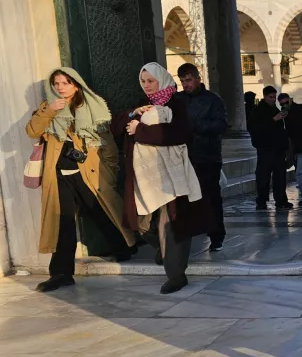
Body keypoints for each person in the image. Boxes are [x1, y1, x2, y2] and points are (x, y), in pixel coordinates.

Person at [26, 68, 135, 292]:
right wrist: (48, 111)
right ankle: (61, 273)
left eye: (66, 83)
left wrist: (110, 173)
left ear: (76, 85)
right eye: (56, 84)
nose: (60, 88)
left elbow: (108, 146)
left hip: (88, 173)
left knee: (100, 210)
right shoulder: (48, 109)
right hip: (58, 176)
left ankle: (125, 246)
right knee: (63, 224)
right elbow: (31, 130)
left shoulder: (90, 108)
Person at [115, 63, 211, 294]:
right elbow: (117, 126)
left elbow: (179, 133)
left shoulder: (177, 102)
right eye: (144, 81)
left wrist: (140, 131)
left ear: (161, 80)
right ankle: (165, 251)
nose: (147, 86)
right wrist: (132, 114)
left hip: (172, 174)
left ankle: (176, 275)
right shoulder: (141, 103)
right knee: (141, 222)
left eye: (151, 81)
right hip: (144, 175)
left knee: (171, 224)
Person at [176, 63, 228, 252]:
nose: (185, 84)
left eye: (188, 80)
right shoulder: (179, 100)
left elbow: (221, 125)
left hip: (208, 158)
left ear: (198, 79)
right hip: (184, 158)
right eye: (182, 81)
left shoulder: (213, 100)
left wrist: (195, 126)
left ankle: (216, 236)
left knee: (211, 198)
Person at [249, 85, 293, 210]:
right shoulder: (257, 111)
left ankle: (281, 200)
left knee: (280, 176)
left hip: (278, 149)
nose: (273, 99)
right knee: (263, 177)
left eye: (274, 97)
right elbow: (257, 128)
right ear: (264, 96)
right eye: (271, 97)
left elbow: (280, 129)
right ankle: (261, 201)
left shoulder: (274, 109)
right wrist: (273, 119)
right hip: (265, 149)